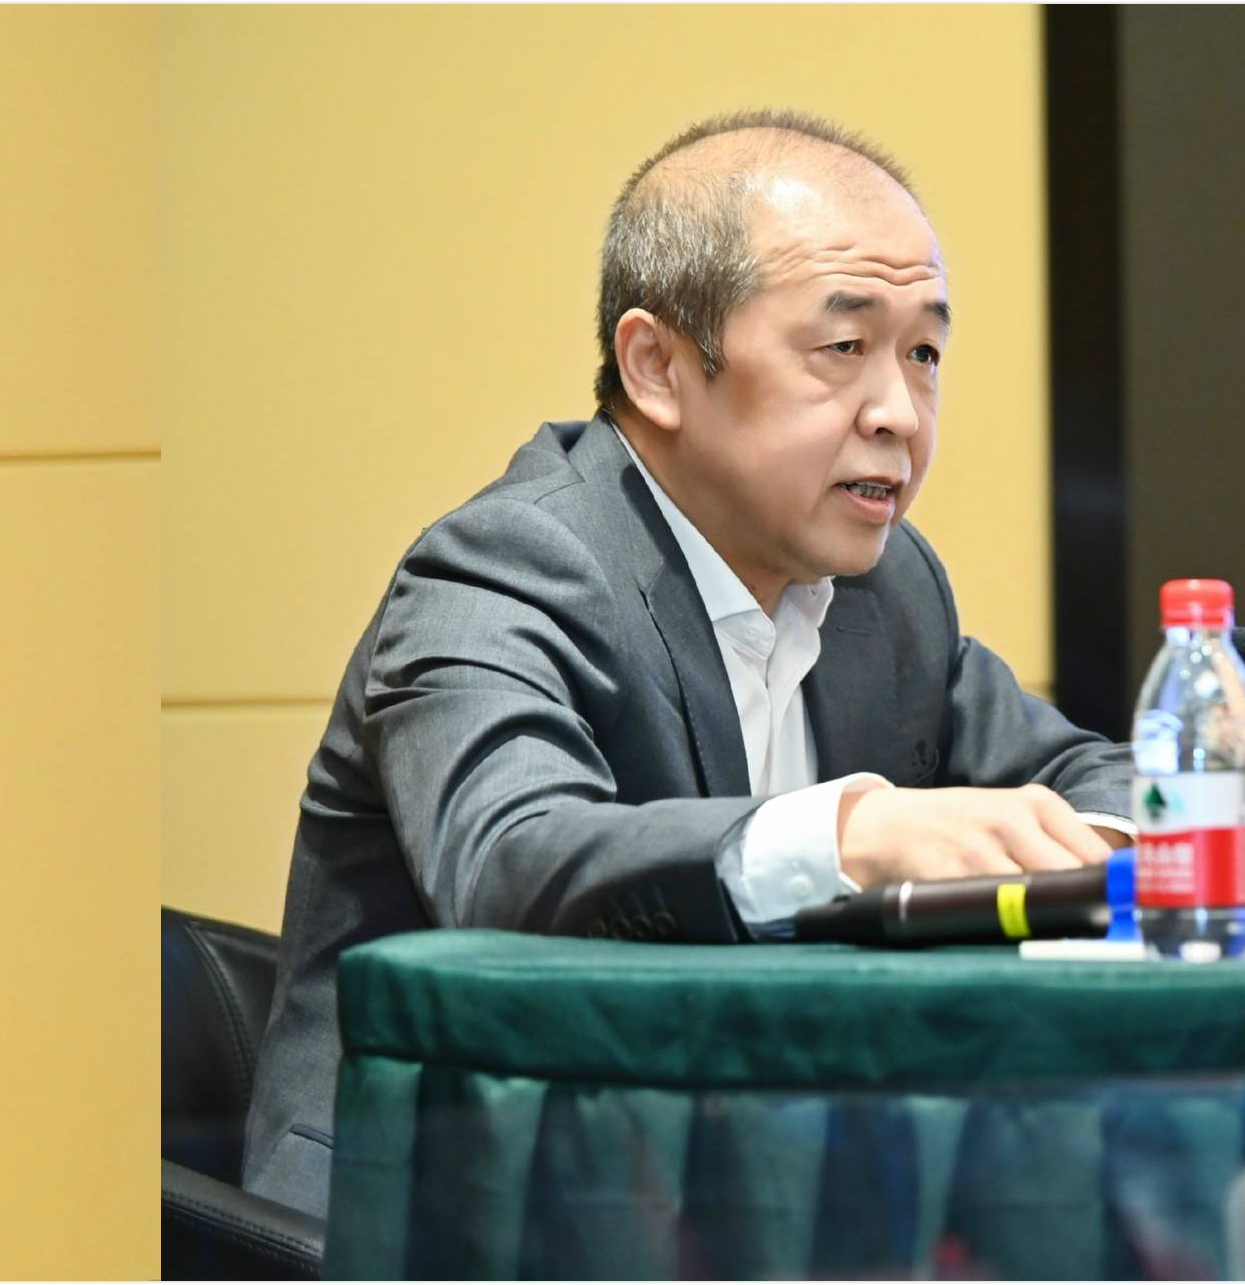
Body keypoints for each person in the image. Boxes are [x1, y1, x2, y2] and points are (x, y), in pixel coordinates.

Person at [238, 109, 1139, 1215]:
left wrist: (1099, 850)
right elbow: (507, 864)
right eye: (843, 348)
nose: (900, 414)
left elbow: (1084, 774)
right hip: (452, 1214)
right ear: (657, 366)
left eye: (924, 354)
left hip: (735, 1204)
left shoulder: (887, 587)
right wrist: (846, 836)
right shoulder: (505, 566)